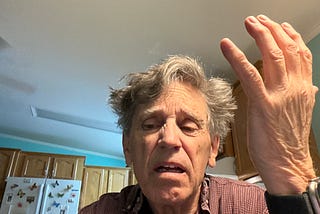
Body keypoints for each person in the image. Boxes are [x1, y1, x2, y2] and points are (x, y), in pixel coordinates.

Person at [80, 15, 318, 213]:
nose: (170, 139)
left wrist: (290, 174)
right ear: (127, 146)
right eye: (151, 124)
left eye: (189, 126)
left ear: (214, 147)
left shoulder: (253, 207)